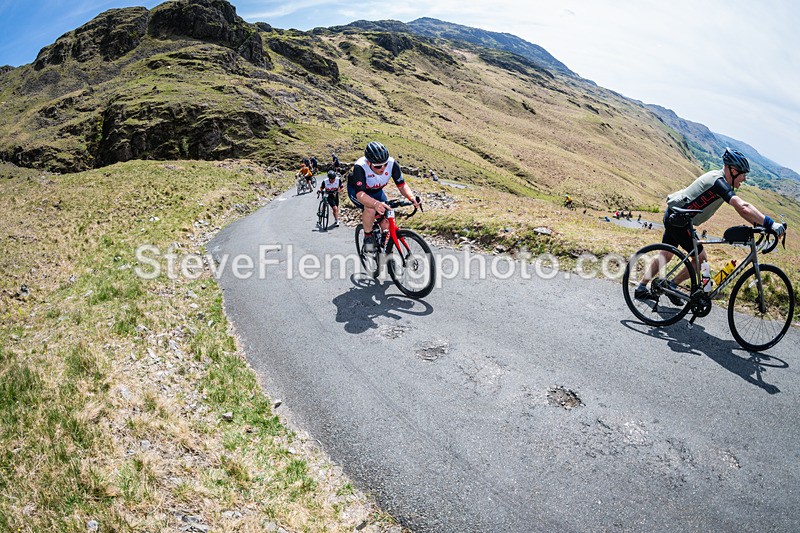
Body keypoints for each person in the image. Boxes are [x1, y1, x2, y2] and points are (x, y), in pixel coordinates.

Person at [635, 148, 786, 301]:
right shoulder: (718, 182)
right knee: (700, 259)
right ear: (733, 171)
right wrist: (770, 223)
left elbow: (742, 211)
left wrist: (762, 225)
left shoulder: (721, 179)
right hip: (679, 220)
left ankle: (641, 288)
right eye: (743, 174)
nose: (744, 179)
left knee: (665, 255)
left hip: (677, 215)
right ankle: (671, 286)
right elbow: (743, 206)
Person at [348, 141, 419, 252]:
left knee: (386, 221)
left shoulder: (392, 163)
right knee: (370, 208)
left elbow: (402, 186)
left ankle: (386, 249)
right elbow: (360, 195)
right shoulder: (360, 166)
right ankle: (368, 238)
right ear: (368, 163)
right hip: (358, 192)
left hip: (377, 192)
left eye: (385, 164)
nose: (383, 168)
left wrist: (411, 197)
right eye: (378, 166)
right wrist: (375, 204)